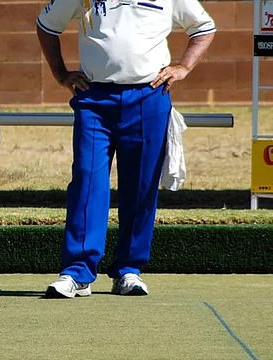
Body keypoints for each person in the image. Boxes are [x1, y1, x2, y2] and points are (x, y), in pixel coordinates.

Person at [36, 0, 215, 298]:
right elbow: (46, 25)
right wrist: (61, 74)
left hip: (149, 95)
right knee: (87, 179)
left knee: (141, 186)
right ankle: (78, 273)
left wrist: (183, 67)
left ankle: (128, 270)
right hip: (94, 96)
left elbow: (204, 27)